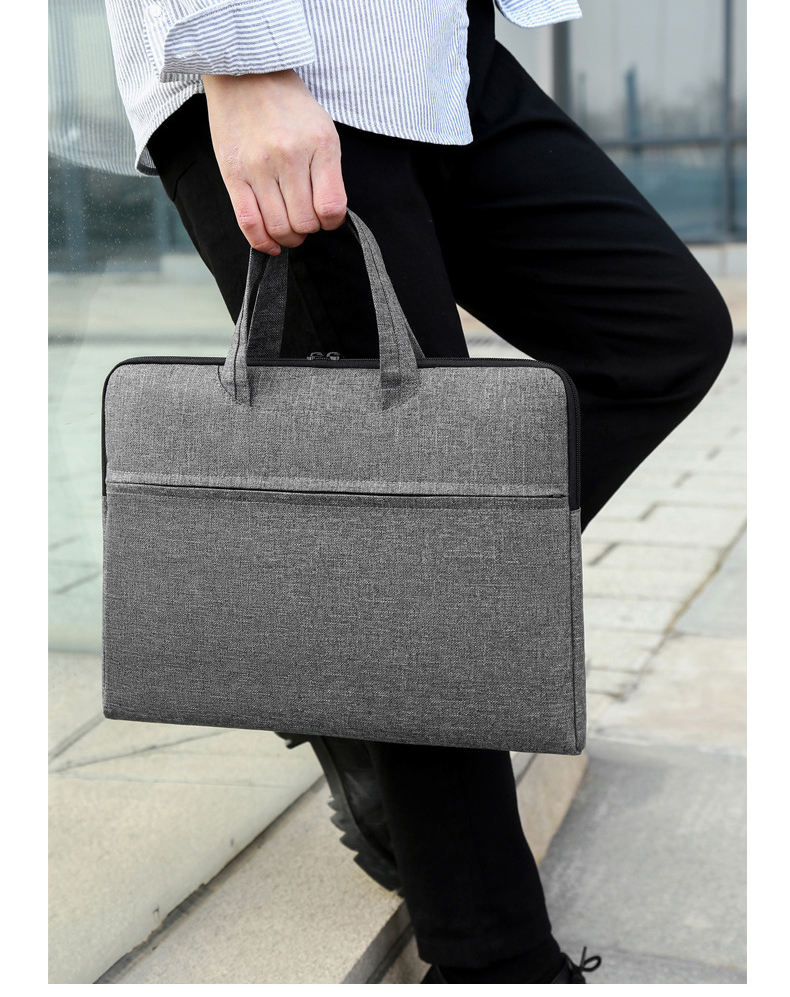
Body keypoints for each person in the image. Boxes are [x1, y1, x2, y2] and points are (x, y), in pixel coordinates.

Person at [104, 0, 733, 984]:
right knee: (397, 519)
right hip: (293, 56)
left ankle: (340, 658)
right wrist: (238, 58)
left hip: (440, 46)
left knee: (661, 332)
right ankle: (492, 957)